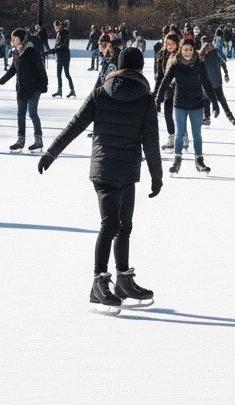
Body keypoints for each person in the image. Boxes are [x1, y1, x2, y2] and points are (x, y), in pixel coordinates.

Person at [38, 45, 163, 312]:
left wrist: (51, 152)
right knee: (116, 226)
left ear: (118, 66)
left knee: (118, 226)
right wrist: (157, 176)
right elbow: (151, 142)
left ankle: (122, 281)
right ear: (141, 68)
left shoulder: (100, 93)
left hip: (105, 168)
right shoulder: (145, 98)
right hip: (125, 170)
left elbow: (75, 125)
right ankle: (99, 282)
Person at [155, 37, 219, 174]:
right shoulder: (176, 64)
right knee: (179, 133)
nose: (188, 52)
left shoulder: (199, 64)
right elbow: (165, 81)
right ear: (181, 50)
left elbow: (207, 83)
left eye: (190, 49)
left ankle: (199, 160)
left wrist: (214, 102)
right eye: (185, 49)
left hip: (197, 103)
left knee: (197, 134)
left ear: (194, 50)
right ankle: (177, 159)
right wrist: (158, 99)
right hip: (180, 103)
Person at [0, 28, 47, 151]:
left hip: (34, 87)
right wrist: (1, 81)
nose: (12, 41)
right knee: (20, 114)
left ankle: (38, 140)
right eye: (12, 39)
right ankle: (21, 140)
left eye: (15, 38)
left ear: (21, 38)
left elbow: (40, 68)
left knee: (32, 113)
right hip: (21, 88)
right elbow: (13, 69)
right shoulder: (16, 52)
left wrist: (44, 84)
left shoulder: (31, 51)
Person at [200, 40, 235, 126]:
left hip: (211, 83)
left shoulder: (206, 56)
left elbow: (223, 63)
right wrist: (226, 74)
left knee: (208, 100)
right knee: (214, 100)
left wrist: (226, 74)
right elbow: (223, 63)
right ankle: (230, 118)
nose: (210, 46)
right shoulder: (208, 56)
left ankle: (208, 118)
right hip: (214, 83)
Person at [154, 30, 181, 150]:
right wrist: (157, 93)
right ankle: (172, 137)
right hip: (169, 89)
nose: (169, 46)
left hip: (180, 89)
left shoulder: (181, 56)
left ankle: (182, 137)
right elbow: (162, 76)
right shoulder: (165, 55)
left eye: (172, 43)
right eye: (167, 43)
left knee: (181, 114)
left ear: (177, 44)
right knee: (167, 114)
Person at [52, 19, 75, 99]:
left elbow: (62, 45)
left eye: (55, 26)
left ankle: (72, 90)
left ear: (58, 26)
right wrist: (53, 50)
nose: (55, 28)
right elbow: (57, 45)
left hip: (64, 56)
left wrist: (54, 50)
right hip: (60, 56)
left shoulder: (63, 32)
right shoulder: (59, 33)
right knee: (59, 74)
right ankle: (60, 90)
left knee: (66, 74)